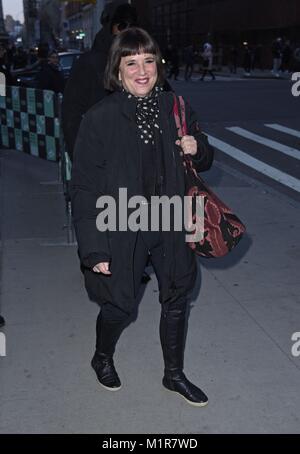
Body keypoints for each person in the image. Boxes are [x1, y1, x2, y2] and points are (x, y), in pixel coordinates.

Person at [71, 28, 214, 406]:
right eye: (131, 62)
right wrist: (94, 249)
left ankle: (173, 375)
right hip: (121, 222)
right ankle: (102, 356)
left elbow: (206, 158)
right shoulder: (99, 119)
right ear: (117, 71)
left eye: (148, 61)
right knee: (119, 304)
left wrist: (197, 148)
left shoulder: (175, 107)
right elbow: (84, 189)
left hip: (170, 220)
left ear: (158, 66)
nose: (141, 70)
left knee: (177, 296)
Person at [62, 2, 138, 162]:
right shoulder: (89, 63)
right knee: (120, 188)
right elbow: (71, 118)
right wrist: (83, 164)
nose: (127, 31)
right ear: (110, 27)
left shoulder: (142, 63)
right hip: (104, 165)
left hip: (137, 164)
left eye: (132, 26)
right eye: (122, 25)